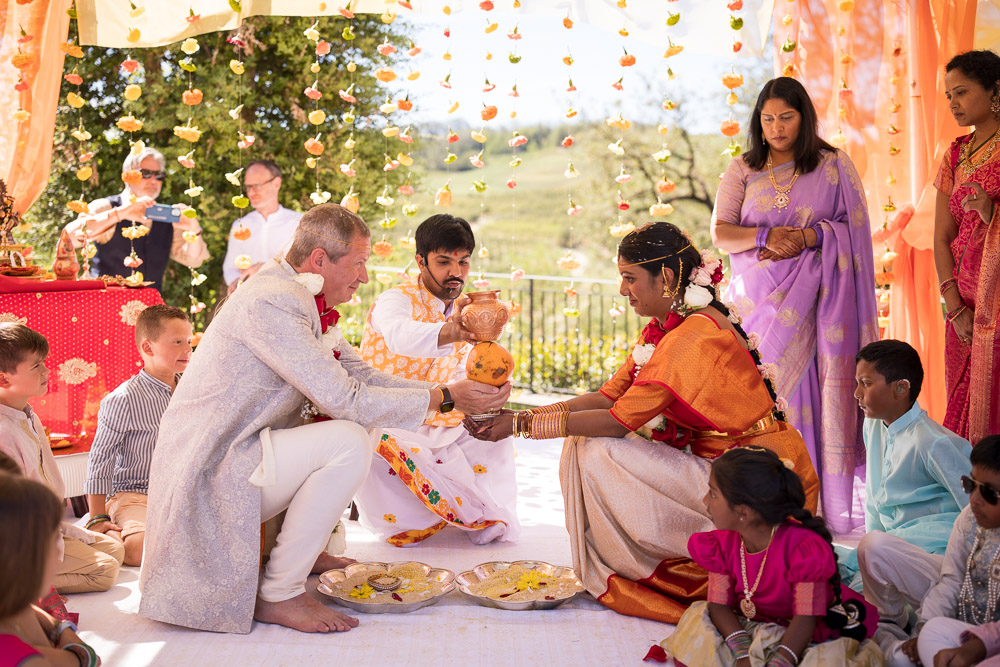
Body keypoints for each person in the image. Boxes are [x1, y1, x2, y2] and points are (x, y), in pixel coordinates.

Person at [139, 203, 509, 635]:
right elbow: (345, 398)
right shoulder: (274, 301)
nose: (364, 277)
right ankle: (280, 592)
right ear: (319, 260)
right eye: (358, 263)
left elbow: (363, 376)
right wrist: (445, 397)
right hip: (212, 468)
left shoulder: (299, 295)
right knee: (347, 440)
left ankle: (305, 551)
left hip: (243, 451)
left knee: (362, 429)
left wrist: (448, 397)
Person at [466, 221, 818, 624]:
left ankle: (642, 564)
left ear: (665, 277)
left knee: (597, 447)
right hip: (728, 463)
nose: (622, 290)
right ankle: (636, 553)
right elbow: (608, 396)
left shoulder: (691, 337)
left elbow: (617, 420)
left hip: (757, 480)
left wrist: (519, 427)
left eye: (630, 278)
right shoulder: (671, 325)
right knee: (584, 439)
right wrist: (520, 416)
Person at [710, 76, 878, 534]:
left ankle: (810, 504)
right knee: (765, 397)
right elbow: (721, 233)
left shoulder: (832, 165)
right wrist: (767, 236)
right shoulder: (743, 168)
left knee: (810, 396)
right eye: (768, 119)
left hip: (819, 305)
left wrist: (807, 237)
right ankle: (757, 505)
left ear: (804, 118)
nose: (777, 128)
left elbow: (854, 231)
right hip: (758, 304)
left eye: (786, 117)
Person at [354, 214, 519, 546]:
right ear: (421, 261)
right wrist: (452, 331)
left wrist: (490, 395)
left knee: (492, 431)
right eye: (444, 262)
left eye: (463, 262)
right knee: (382, 447)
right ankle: (421, 522)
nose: (456, 272)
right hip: (393, 417)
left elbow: (464, 369)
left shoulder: (466, 311)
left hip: (442, 415)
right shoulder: (395, 300)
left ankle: (480, 516)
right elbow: (400, 336)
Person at [660, 447, 881, 667]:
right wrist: (743, 653)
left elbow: (805, 619)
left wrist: (781, 662)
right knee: (699, 619)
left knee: (828, 660)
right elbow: (719, 606)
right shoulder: (721, 545)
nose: (705, 500)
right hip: (754, 621)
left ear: (744, 513)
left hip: (804, 629)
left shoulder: (803, 549)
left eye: (713, 494)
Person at [0, 323, 124, 594]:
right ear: (4, 379)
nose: (47, 371)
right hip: (20, 539)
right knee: (105, 571)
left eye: (44, 362)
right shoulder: (3, 432)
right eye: (36, 366)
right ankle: (17, 588)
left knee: (116, 550)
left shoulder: (26, 414)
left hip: (44, 525)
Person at [840, 340, 971, 591]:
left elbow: (974, 505)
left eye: (865, 383)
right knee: (825, 568)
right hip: (889, 546)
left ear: (900, 388)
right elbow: (873, 499)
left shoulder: (934, 442)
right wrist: (868, 553)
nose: (856, 393)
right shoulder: (873, 425)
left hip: (932, 551)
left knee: (850, 593)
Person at [870, 435, 1000, 667]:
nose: (975, 499)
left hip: (989, 642)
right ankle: (891, 632)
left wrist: (979, 645)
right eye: (970, 485)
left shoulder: (932, 439)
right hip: (962, 623)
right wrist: (922, 631)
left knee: (905, 656)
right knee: (874, 546)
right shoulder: (969, 518)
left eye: (989, 493)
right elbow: (952, 580)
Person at [83, 305, 193, 567]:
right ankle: (111, 528)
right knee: (136, 551)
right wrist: (97, 517)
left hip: (182, 492)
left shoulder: (193, 390)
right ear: (148, 347)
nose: (187, 349)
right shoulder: (123, 399)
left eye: (189, 341)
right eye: (177, 342)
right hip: (136, 494)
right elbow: (101, 459)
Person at [934, 50, 1000, 445]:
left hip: (998, 304)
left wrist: (992, 213)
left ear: (995, 91)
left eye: (961, 92)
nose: (953, 103)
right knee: (962, 408)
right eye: (948, 96)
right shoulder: (956, 154)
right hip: (963, 310)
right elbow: (942, 237)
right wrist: (954, 305)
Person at [62, 147, 209, 291]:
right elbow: (68, 239)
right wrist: (120, 213)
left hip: (150, 306)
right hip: (105, 303)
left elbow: (194, 260)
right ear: (128, 175)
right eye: (145, 173)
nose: (153, 180)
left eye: (158, 175)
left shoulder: (165, 217)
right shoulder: (107, 206)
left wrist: (194, 229)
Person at [0, 468, 102, 667]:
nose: (58, 552)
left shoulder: (13, 610)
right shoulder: (29, 661)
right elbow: (91, 660)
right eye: (54, 540)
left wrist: (61, 630)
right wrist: (78, 656)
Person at [221, 160, 302, 293]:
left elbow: (307, 270)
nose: (251, 193)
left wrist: (266, 268)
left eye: (257, 186)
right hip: (249, 298)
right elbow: (230, 268)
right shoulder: (240, 225)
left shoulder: (299, 222)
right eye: (248, 187)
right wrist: (235, 282)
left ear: (276, 184)